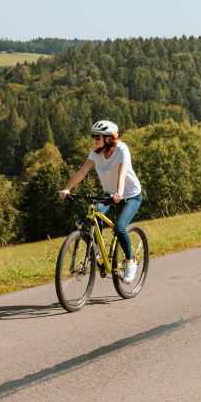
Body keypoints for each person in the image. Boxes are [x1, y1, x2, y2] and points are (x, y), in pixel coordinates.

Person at [60, 119, 142, 284]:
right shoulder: (95, 152)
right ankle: (97, 248)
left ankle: (129, 262)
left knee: (120, 228)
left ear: (109, 138)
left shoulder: (121, 149)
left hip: (130, 195)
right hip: (110, 194)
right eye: (94, 135)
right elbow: (83, 171)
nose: (95, 139)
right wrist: (67, 188)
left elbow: (122, 174)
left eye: (98, 136)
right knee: (93, 214)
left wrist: (120, 192)